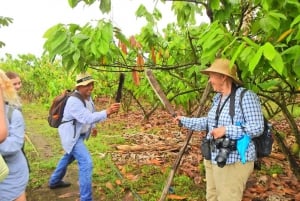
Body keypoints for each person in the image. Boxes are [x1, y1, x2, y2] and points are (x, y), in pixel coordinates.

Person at [174, 58, 264, 201]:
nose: (209, 81)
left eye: (212, 76)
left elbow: (257, 127)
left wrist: (227, 130)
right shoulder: (218, 99)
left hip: (234, 160)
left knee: (228, 198)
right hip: (214, 156)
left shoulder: (246, 97)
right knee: (212, 196)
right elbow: (209, 122)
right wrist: (184, 120)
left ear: (223, 77)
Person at [48, 72, 121, 201]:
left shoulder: (88, 97)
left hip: (78, 134)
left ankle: (54, 181)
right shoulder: (73, 101)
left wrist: (93, 127)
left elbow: (90, 113)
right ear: (79, 87)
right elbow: (86, 117)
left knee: (68, 157)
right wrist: (108, 111)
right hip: (71, 136)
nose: (90, 87)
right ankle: (86, 198)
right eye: (87, 85)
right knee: (86, 162)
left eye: (91, 84)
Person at [0, 69, 29, 201]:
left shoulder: (12, 112)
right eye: (14, 84)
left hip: (13, 175)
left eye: (19, 83)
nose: (18, 86)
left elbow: (15, 143)